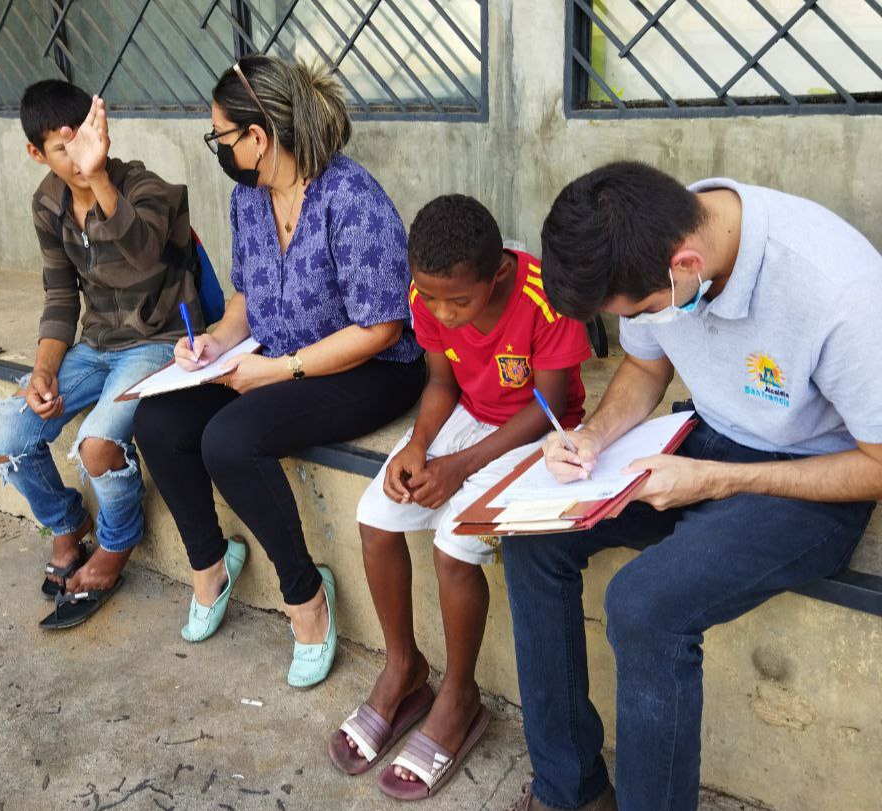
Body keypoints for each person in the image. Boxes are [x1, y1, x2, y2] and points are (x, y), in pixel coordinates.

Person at [504, 161, 882, 811]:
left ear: (684, 264)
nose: (647, 320)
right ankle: (569, 790)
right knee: (534, 536)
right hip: (703, 436)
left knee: (644, 605)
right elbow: (645, 369)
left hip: (815, 476)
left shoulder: (837, 288)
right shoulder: (651, 241)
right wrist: (591, 438)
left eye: (645, 309)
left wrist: (716, 478)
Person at [132, 55, 425, 688]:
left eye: (221, 136)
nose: (218, 148)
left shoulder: (351, 198)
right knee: (156, 419)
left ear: (258, 137)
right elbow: (247, 299)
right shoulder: (249, 198)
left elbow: (382, 328)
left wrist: (277, 372)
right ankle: (210, 563)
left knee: (231, 440)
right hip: (275, 353)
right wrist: (212, 344)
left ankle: (306, 595)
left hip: (371, 366)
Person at [328, 195, 592, 800]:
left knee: (455, 546)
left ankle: (459, 695)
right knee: (376, 516)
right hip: (465, 419)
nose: (443, 315)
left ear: (497, 271)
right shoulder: (430, 296)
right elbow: (442, 379)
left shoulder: (542, 299)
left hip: (538, 436)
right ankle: (403, 668)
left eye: (460, 301)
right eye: (431, 298)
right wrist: (419, 448)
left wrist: (461, 467)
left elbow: (547, 408)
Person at [0, 80, 203, 629]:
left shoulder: (149, 188)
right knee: (5, 435)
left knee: (98, 446)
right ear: (37, 152)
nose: (80, 158)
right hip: (96, 345)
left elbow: (148, 254)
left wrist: (101, 177)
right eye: (64, 150)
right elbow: (60, 295)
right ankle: (66, 523)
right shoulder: (48, 204)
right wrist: (43, 370)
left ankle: (118, 541)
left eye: (87, 140)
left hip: (158, 342)